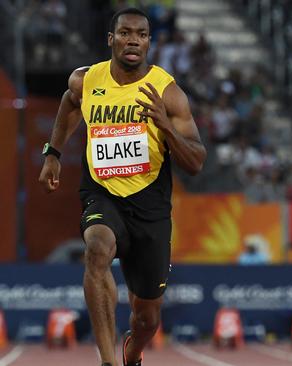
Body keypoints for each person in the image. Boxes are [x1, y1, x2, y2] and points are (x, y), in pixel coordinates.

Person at [38, 8, 206, 366]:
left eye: (141, 35)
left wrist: (165, 125)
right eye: (126, 33)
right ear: (111, 39)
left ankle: (133, 350)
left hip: (150, 205)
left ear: (149, 42)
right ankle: (108, 361)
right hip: (102, 193)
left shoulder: (168, 93)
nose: (133, 40)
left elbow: (196, 161)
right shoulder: (87, 80)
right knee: (97, 250)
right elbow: (70, 104)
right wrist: (53, 152)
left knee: (147, 319)